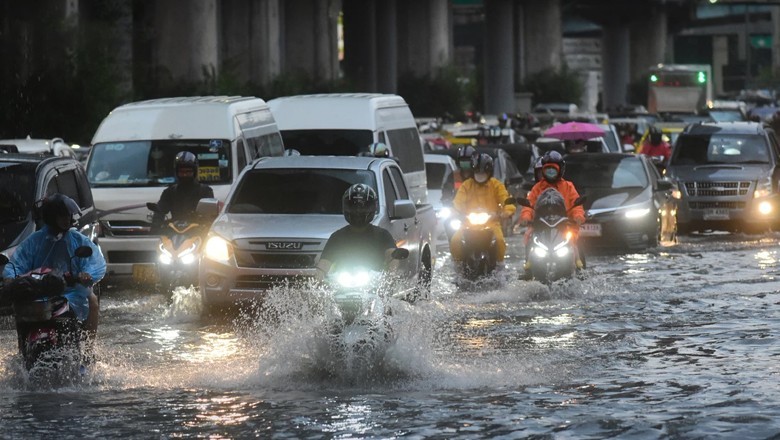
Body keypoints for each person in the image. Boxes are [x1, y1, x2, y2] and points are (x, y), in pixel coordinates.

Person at [2, 194, 106, 337]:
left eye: (68, 216)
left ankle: (88, 351)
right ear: (52, 216)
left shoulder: (77, 239)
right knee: (19, 308)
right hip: (39, 290)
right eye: (62, 216)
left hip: (71, 289)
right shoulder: (35, 240)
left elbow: (96, 261)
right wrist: (10, 277)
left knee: (93, 301)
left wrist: (86, 274)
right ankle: (23, 350)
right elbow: (17, 263)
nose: (67, 220)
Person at [518, 151, 586, 277]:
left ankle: (580, 267)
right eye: (547, 169)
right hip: (541, 225)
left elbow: (576, 205)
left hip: (564, 225)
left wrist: (578, 217)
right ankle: (528, 268)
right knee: (529, 237)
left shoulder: (568, 186)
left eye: (553, 169)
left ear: (560, 170)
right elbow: (529, 205)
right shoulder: (537, 187)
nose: (550, 172)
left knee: (576, 240)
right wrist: (525, 217)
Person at [316, 183, 400, 277]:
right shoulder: (337, 237)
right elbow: (324, 262)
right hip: (342, 286)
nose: (358, 211)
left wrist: (391, 274)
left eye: (363, 207)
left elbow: (391, 254)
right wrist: (320, 275)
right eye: (353, 206)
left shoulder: (383, 235)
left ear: (373, 207)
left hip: (376, 286)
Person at [450, 153, 516, 270]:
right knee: (455, 240)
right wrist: (454, 211)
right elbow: (458, 202)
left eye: (482, 173)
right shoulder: (467, 185)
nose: (480, 176)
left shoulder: (496, 185)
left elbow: (505, 199)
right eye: (477, 173)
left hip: (491, 223)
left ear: (489, 172)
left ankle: (500, 265)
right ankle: (458, 266)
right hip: (468, 224)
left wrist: (507, 210)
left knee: (500, 240)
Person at [152, 151, 214, 230]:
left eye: (188, 172)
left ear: (194, 172)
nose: (185, 175)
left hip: (199, 233)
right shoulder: (169, 192)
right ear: (177, 173)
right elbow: (160, 211)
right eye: (182, 172)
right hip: (174, 233)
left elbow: (210, 215)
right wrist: (155, 228)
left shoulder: (205, 191)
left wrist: (206, 227)